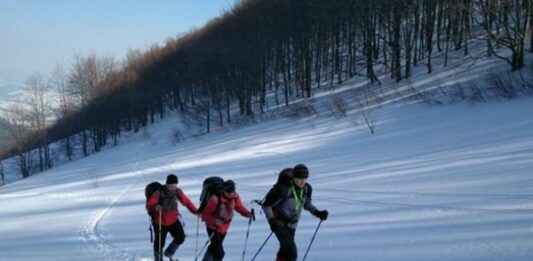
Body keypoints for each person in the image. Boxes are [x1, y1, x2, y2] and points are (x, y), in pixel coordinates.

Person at [262, 164, 329, 261]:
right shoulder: (283, 189)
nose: (303, 181)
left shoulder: (306, 189)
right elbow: (266, 206)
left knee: (285, 251)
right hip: (279, 224)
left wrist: (318, 212)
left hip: (292, 225)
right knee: (291, 253)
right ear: (294, 177)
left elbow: (306, 203)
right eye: (299, 178)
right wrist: (272, 221)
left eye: (305, 178)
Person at [146, 174, 198, 261]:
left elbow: (187, 202)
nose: (173, 188)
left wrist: (195, 211)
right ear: (167, 184)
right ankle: (158, 258)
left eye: (174, 185)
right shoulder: (158, 193)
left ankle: (170, 252)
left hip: (173, 220)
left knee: (180, 237)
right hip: (160, 222)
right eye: (171, 186)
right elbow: (149, 205)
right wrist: (156, 207)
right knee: (159, 243)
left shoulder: (178, 192)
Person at [200, 179, 254, 261]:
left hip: (224, 228)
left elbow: (239, 207)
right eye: (229, 192)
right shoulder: (215, 199)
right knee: (220, 253)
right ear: (224, 191)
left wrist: (248, 214)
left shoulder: (235, 197)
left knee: (213, 248)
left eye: (232, 192)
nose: (231, 194)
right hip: (213, 228)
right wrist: (214, 220)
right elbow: (204, 215)